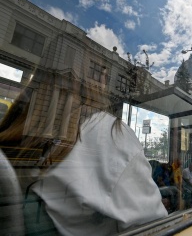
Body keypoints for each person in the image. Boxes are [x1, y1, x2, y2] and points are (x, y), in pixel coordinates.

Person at [0, 76, 168, 235]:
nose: (105, 80)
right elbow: (157, 228)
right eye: (101, 72)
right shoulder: (111, 135)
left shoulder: (21, 126)